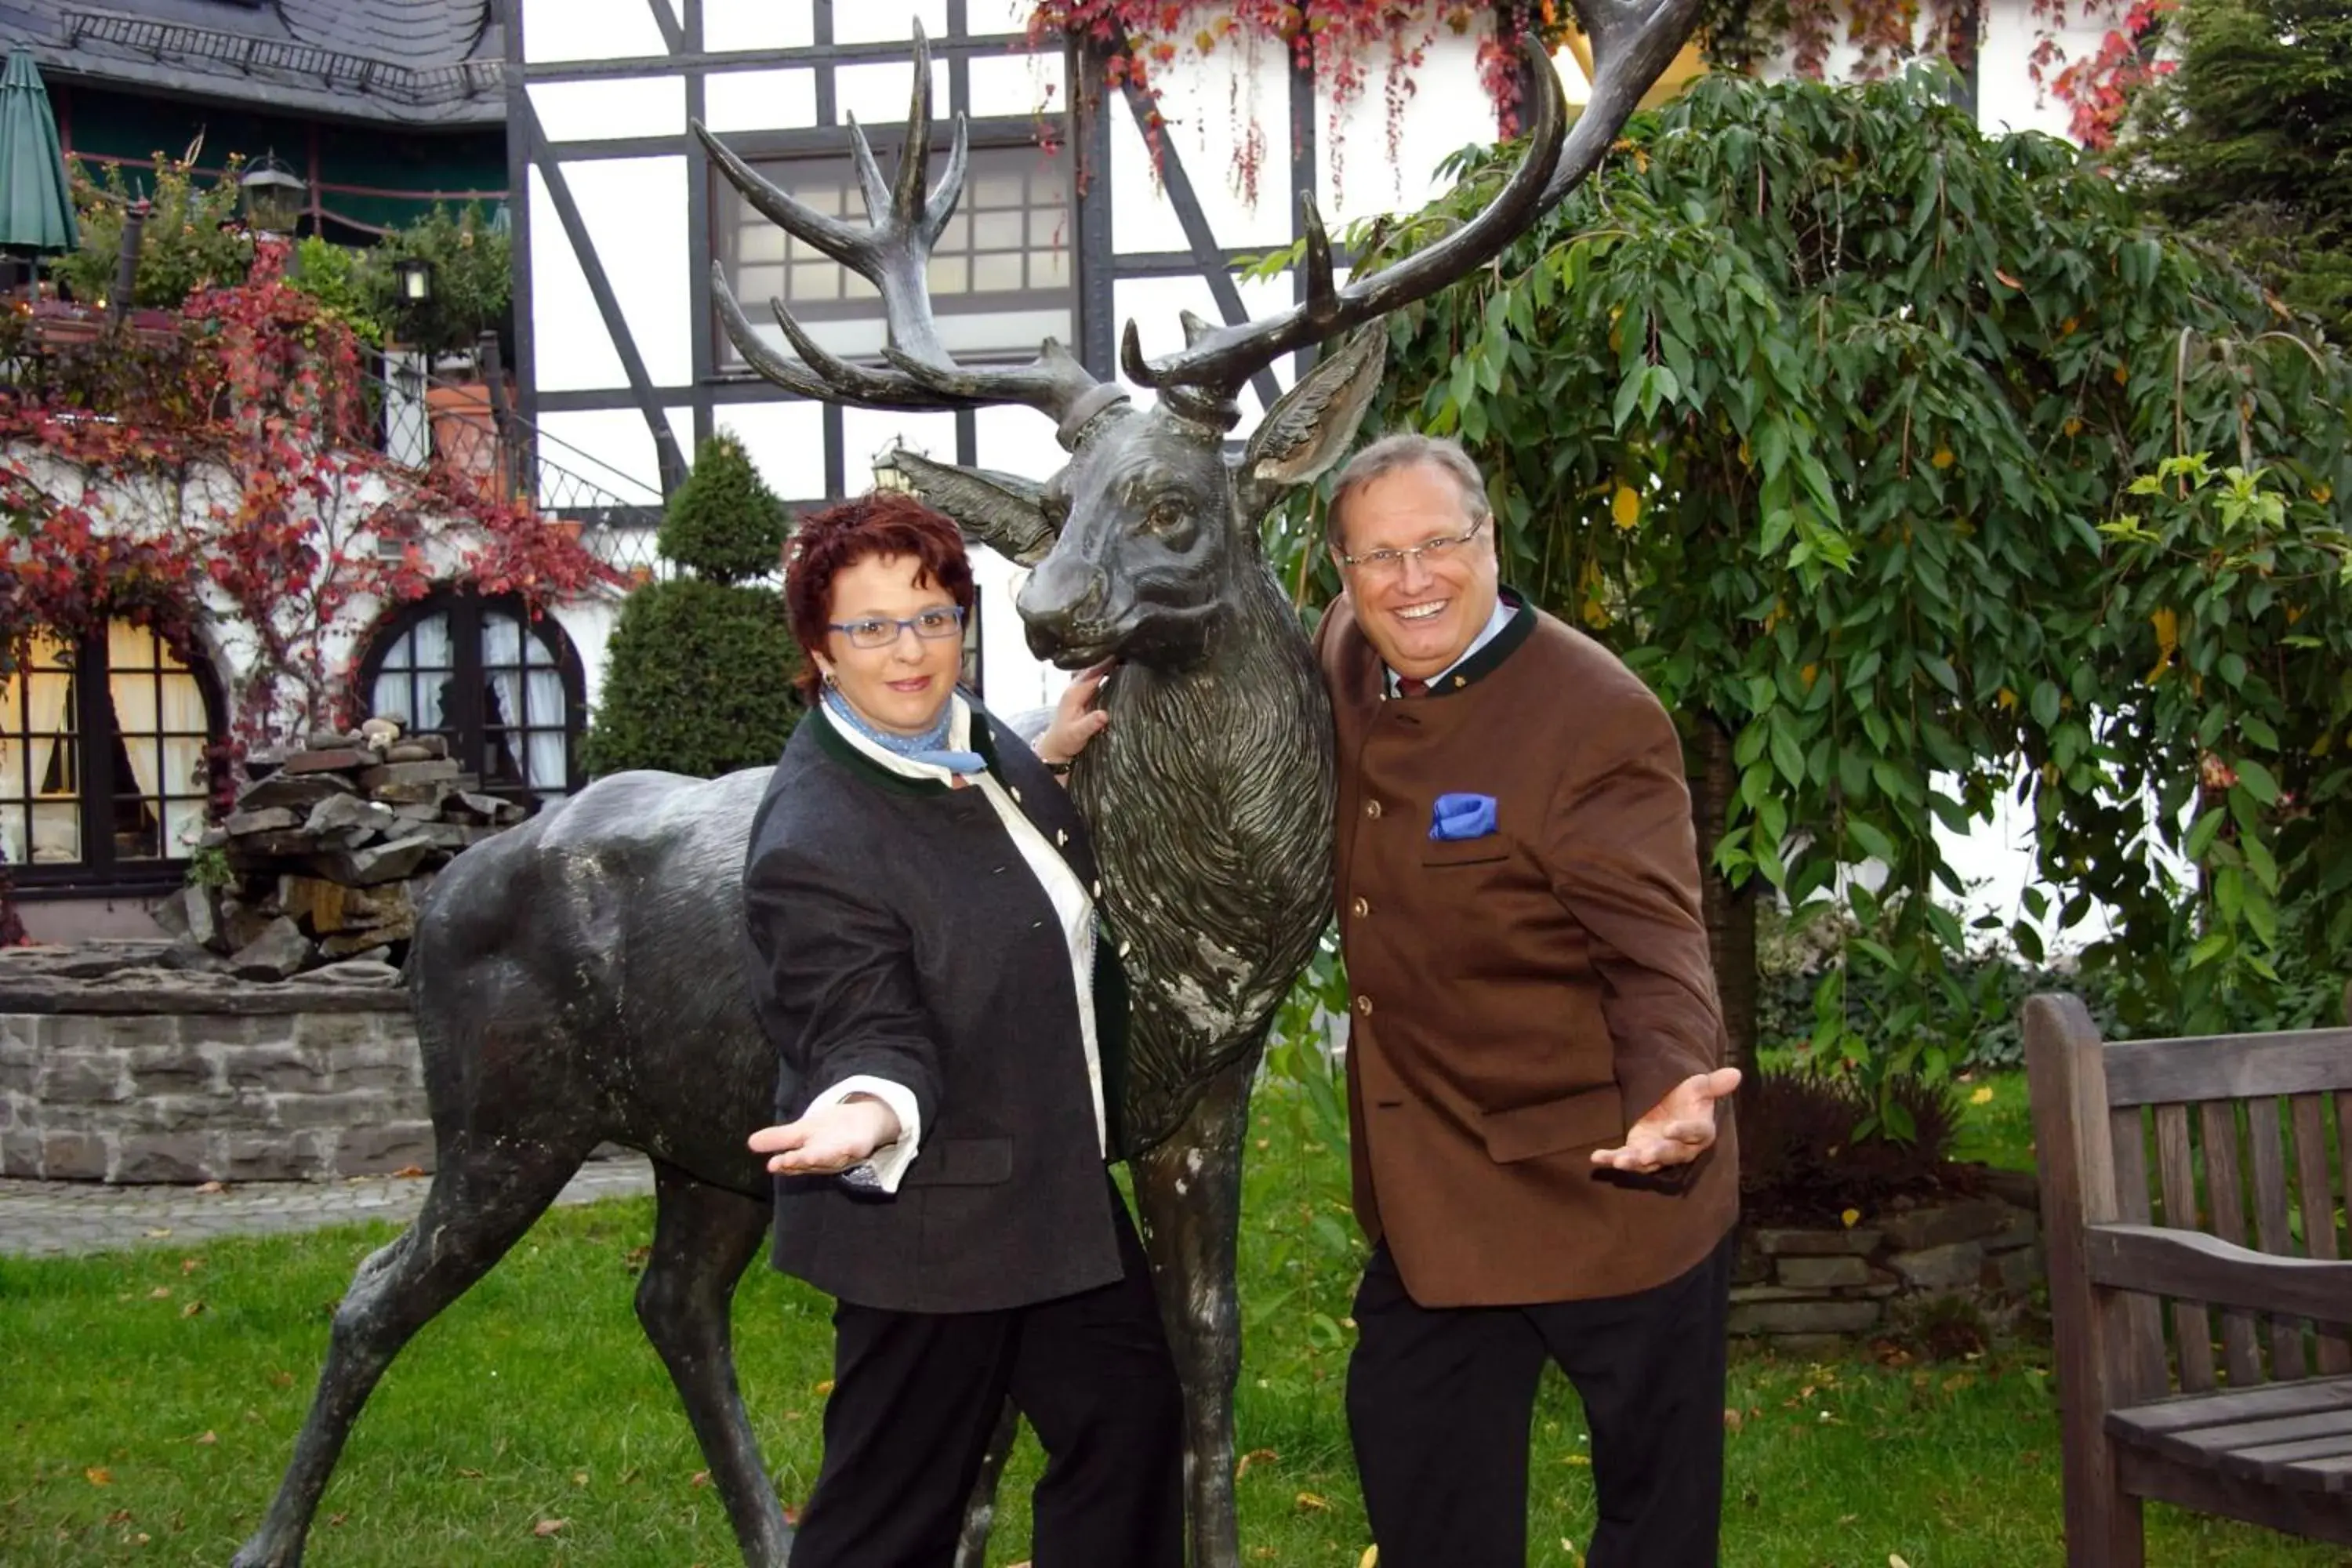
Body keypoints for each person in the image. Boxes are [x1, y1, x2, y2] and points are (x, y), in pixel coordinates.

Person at [1313, 433, 1744, 1568]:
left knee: (1655, 1523)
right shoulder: (1347, 653)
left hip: (1608, 1183)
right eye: (1378, 558)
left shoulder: (1594, 717)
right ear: (1342, 578)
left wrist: (1673, 1095)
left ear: (1489, 539)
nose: (1411, 582)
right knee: (1423, 1490)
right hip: (1438, 1185)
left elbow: (1657, 948)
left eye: (1439, 545)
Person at [738, 491, 1183, 1568]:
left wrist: (1050, 746)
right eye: (873, 627)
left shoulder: (970, 739)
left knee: (1128, 1425)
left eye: (935, 617)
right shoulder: (815, 837)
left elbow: (967, 843)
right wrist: (863, 1108)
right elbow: (860, 1016)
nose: (911, 651)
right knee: (888, 1518)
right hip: (929, 1227)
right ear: (817, 648)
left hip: (1047, 1190)